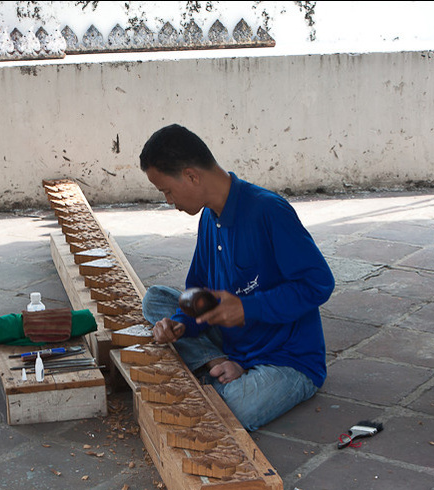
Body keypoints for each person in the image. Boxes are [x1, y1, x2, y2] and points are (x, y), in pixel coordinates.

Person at [138, 124, 335, 431]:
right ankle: (217, 364)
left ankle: (219, 371)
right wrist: (180, 322)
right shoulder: (209, 217)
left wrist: (247, 308)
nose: (168, 200)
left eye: (167, 190)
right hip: (233, 341)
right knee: (155, 300)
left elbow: (318, 284)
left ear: (191, 176)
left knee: (234, 409)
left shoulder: (268, 211)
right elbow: (197, 291)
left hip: (285, 357)